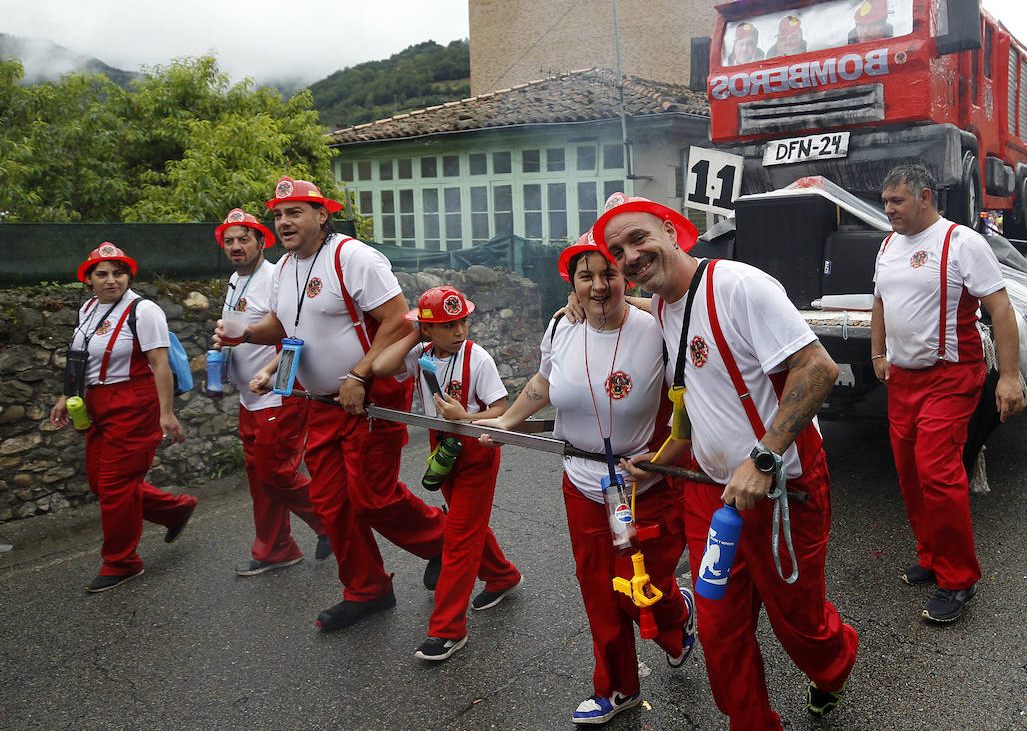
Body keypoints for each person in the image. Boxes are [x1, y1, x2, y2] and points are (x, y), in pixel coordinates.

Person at [593, 195, 858, 730]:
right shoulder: (666, 305)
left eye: (639, 238)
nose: (630, 255)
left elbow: (819, 369)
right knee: (719, 631)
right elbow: (693, 396)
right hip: (709, 497)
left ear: (671, 231)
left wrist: (762, 458)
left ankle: (833, 666)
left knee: (800, 624)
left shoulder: (739, 285)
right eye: (617, 250)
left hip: (784, 489)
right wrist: (666, 455)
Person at [475, 235, 694, 724]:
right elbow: (544, 384)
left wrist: (666, 455)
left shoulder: (657, 326)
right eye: (585, 277)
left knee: (652, 586)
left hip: (647, 484)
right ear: (572, 285)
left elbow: (690, 401)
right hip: (582, 483)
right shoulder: (561, 324)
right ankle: (619, 688)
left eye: (608, 274)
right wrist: (507, 422)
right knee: (601, 590)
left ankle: (679, 617)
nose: (598, 286)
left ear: (625, 277)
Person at [217, 177, 445, 632]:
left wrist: (359, 374)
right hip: (321, 402)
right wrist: (245, 332)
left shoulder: (354, 257)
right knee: (331, 501)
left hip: (370, 395)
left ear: (322, 215)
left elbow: (399, 323)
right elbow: (284, 325)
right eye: (279, 214)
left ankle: (445, 542)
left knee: (373, 499)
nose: (283, 221)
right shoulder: (283, 268)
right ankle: (367, 589)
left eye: (295, 211)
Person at [870, 164, 1025, 622]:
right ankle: (931, 554)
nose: (888, 210)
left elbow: (1001, 309)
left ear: (925, 196)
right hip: (902, 379)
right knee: (909, 471)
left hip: (951, 376)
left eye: (897, 201)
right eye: (885, 202)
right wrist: (878, 353)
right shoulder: (886, 245)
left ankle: (958, 580)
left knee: (937, 472)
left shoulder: (962, 242)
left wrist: (1010, 377)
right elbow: (880, 301)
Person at [368, 286, 523, 662]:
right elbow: (380, 368)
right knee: (467, 527)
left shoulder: (478, 358)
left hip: (476, 448)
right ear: (427, 329)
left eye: (462, 321)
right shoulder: (421, 354)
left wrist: (465, 417)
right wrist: (412, 334)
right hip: (443, 448)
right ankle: (502, 575)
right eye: (447, 325)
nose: (459, 331)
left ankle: (446, 629)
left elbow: (502, 411)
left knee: (458, 539)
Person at [49, 242, 197, 592]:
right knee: (101, 482)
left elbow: (160, 364)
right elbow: (80, 359)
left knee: (116, 485)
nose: (112, 280)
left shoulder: (144, 311)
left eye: (119, 273)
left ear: (129, 276)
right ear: (88, 280)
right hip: (98, 403)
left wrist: (166, 413)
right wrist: (67, 396)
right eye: (102, 274)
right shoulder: (88, 309)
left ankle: (122, 562)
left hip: (134, 401)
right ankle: (173, 510)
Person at [215, 209, 329, 576]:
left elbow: (295, 334)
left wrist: (275, 379)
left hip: (277, 395)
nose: (236, 247)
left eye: (243, 239)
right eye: (229, 241)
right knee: (258, 477)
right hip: (249, 397)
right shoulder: (235, 280)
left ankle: (330, 520)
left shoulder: (276, 276)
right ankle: (276, 548)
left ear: (261, 241)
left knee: (274, 475)